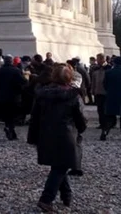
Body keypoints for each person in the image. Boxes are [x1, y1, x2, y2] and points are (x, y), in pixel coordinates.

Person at [27, 63, 87, 212]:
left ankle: (66, 195)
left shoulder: (42, 94)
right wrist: (80, 129)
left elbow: (34, 118)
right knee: (61, 166)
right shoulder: (73, 95)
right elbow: (81, 119)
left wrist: (32, 136)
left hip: (45, 134)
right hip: (66, 135)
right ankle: (46, 199)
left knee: (58, 165)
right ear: (69, 78)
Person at [0, 55, 27, 140]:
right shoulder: (16, 70)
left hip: (2, 96)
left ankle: (9, 128)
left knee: (7, 114)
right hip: (14, 96)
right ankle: (10, 129)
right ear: (11, 61)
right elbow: (24, 81)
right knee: (13, 114)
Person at [101, 57, 121, 141]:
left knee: (109, 117)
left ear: (114, 63)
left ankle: (105, 131)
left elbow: (105, 84)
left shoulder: (108, 73)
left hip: (111, 96)